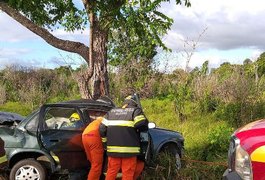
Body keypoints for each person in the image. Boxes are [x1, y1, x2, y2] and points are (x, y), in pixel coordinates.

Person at [100, 95, 149, 180]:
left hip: (113, 150)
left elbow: (102, 129)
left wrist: (105, 144)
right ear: (135, 103)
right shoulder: (135, 111)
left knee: (111, 171)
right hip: (129, 151)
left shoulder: (111, 112)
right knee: (128, 173)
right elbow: (141, 124)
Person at [82, 111, 106, 180]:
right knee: (96, 165)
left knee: (92, 162)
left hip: (85, 135)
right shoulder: (108, 120)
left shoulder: (98, 121)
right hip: (94, 136)